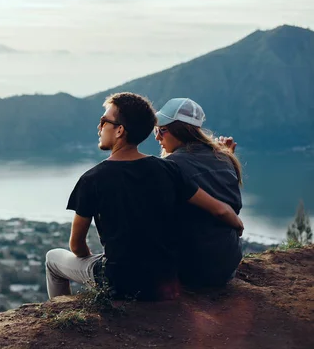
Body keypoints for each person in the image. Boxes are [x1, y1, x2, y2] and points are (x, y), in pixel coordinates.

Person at [45, 92, 244, 301]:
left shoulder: (92, 179)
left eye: (104, 121)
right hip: (168, 276)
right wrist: (237, 223)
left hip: (124, 281)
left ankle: (58, 316)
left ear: (120, 130)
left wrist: (96, 263)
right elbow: (219, 208)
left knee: (52, 259)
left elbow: (76, 246)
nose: (99, 126)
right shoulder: (169, 169)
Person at [154, 98, 243, 287]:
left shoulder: (170, 166)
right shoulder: (225, 158)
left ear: (180, 130)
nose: (157, 137)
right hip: (227, 264)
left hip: (190, 270)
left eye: (162, 130)